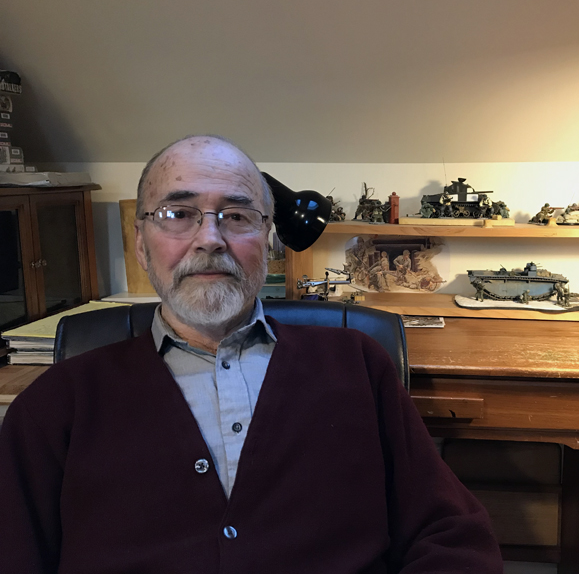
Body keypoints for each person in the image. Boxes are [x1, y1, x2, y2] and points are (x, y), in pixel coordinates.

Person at [0, 135, 502, 573]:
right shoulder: (54, 406)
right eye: (178, 214)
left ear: (266, 237)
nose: (211, 239)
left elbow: (452, 536)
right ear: (140, 243)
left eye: (237, 216)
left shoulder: (356, 366)